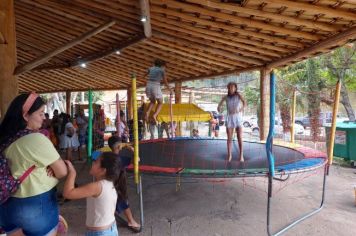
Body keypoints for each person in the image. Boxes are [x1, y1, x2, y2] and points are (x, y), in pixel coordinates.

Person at [0, 93, 68, 236]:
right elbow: (62, 171)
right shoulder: (36, 139)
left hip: (6, 206)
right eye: (41, 113)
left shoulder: (4, 138)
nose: (44, 117)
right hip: (35, 207)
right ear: (26, 116)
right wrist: (51, 168)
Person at [63, 152, 123, 236]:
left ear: (103, 170)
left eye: (96, 162)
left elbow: (67, 193)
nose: (93, 163)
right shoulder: (110, 182)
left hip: (100, 233)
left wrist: (72, 173)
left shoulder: (97, 187)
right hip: (111, 229)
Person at [108, 136, 141, 232]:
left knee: (113, 201)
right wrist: (133, 150)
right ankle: (131, 221)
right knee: (124, 202)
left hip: (109, 184)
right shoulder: (120, 159)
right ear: (118, 146)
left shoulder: (108, 156)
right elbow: (137, 160)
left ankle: (110, 218)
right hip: (118, 185)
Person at [218, 82, 246, 162]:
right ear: (228, 88)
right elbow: (220, 104)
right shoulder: (226, 97)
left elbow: (245, 103)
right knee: (229, 138)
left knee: (239, 137)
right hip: (229, 117)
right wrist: (219, 107)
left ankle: (241, 156)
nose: (231, 89)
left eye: (233, 87)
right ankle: (229, 155)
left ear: (235, 88)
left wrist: (241, 109)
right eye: (229, 87)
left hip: (238, 117)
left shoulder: (238, 95)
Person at [143, 59, 173, 123]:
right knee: (160, 102)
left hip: (148, 85)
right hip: (155, 86)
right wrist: (170, 90)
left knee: (152, 101)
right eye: (164, 67)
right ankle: (155, 115)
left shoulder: (150, 68)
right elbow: (165, 81)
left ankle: (147, 112)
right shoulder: (162, 70)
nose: (165, 68)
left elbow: (145, 75)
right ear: (162, 65)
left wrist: (146, 78)